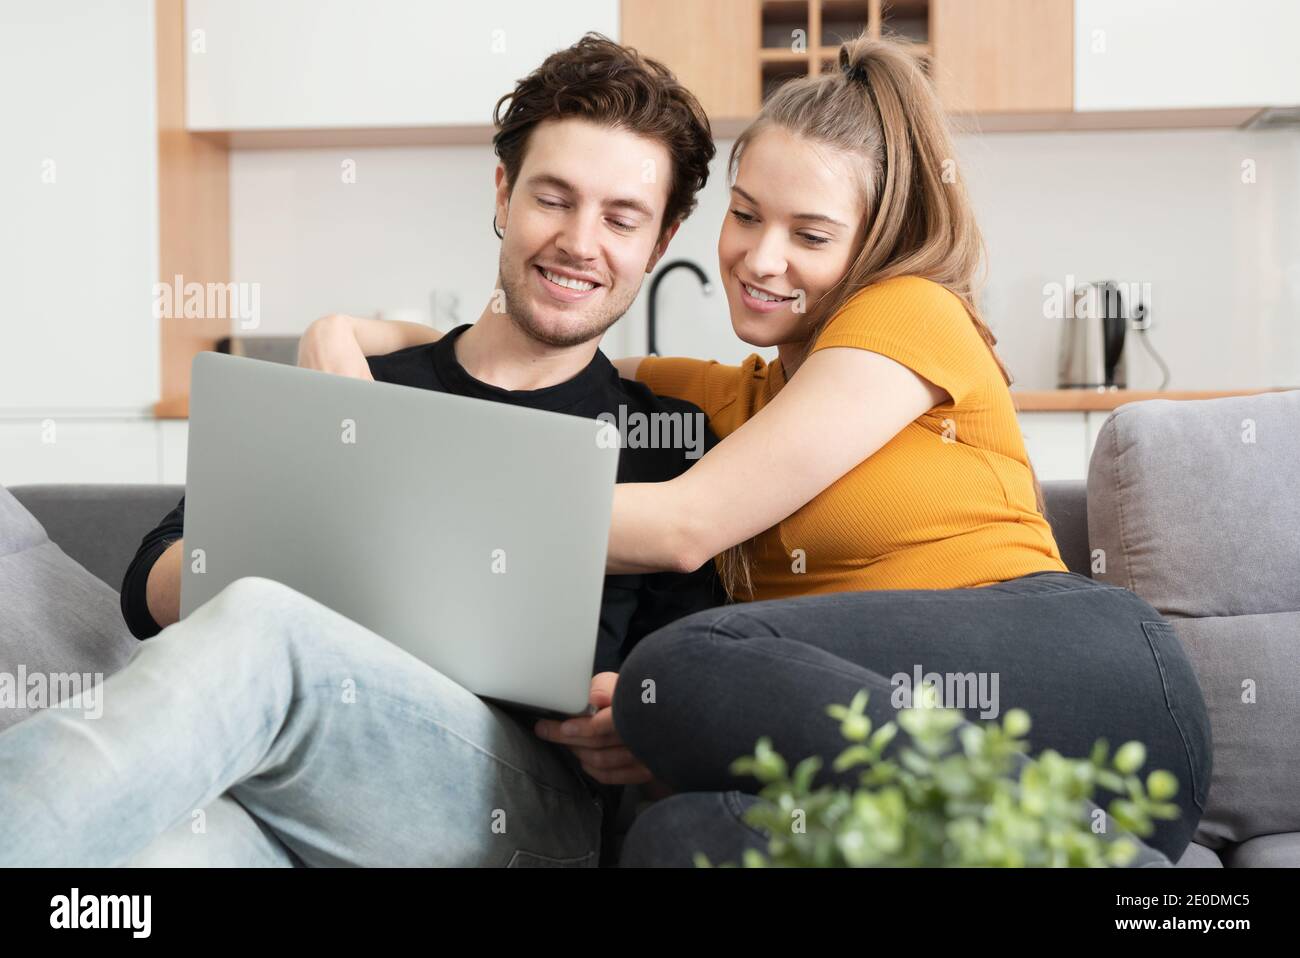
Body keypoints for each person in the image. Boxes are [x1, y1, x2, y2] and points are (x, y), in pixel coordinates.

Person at [308, 35, 1212, 867]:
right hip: (893, 758)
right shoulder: (731, 400)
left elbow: (684, 527)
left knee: (677, 668)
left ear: (873, 241)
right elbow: (534, 337)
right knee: (677, 838)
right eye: (745, 216)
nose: (760, 258)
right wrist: (341, 330)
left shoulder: (909, 315)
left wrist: (394, 493)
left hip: (1081, 693)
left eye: (810, 235)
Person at [0, 34, 723, 868]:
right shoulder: (355, 381)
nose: (579, 241)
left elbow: (689, 703)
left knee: (270, 626)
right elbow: (151, 580)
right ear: (503, 191)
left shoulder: (667, 447)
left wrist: (631, 723)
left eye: (621, 218)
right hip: (288, 781)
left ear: (661, 241)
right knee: (162, 854)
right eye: (553, 199)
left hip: (522, 813)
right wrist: (266, 565)